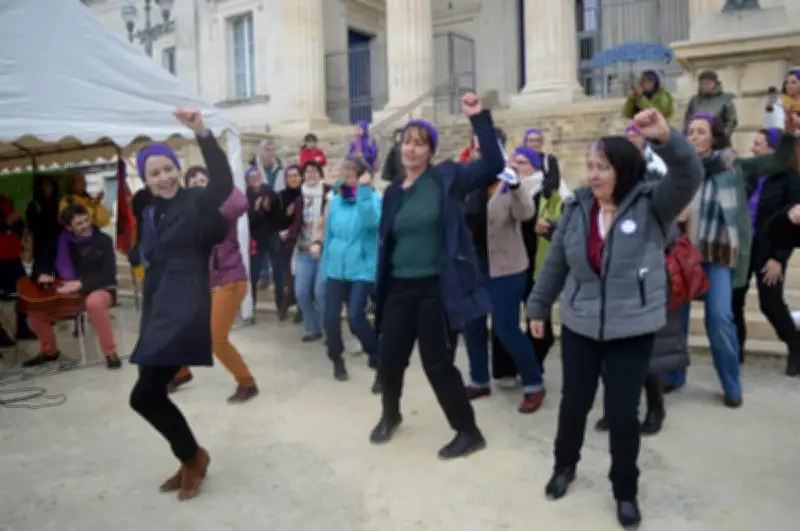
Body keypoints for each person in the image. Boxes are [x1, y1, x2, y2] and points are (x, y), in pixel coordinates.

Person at [526, 109, 702, 528]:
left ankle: (625, 490)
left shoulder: (652, 205)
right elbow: (557, 266)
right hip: (580, 324)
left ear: (623, 170)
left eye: (602, 167)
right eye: (590, 166)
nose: (594, 174)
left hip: (631, 328)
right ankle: (564, 466)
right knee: (574, 405)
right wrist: (537, 307)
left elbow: (689, 174)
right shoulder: (578, 207)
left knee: (623, 414)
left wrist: (666, 137)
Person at [369, 92, 503, 459]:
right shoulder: (394, 192)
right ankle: (391, 415)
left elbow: (492, 163)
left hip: (435, 290)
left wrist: (478, 120)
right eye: (406, 142)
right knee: (390, 357)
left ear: (430, 151)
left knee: (438, 363)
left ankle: (468, 430)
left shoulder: (448, 178)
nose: (411, 149)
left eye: (419, 143)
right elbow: (388, 242)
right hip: (398, 288)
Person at [128, 108, 232, 502]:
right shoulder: (150, 211)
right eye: (154, 173)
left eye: (168, 169)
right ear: (146, 180)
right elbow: (144, 252)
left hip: (186, 306)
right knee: (147, 395)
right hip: (158, 307)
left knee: (144, 395)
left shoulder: (196, 202)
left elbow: (222, 181)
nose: (163, 178)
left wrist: (202, 133)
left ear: (177, 168)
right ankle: (191, 456)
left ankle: (193, 457)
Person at [662, 112, 798, 402]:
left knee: (720, 318)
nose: (695, 136)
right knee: (677, 322)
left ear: (714, 135)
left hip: (718, 255)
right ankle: (673, 376)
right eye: (691, 131)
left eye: (701, 131)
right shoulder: (681, 170)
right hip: (684, 256)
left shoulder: (733, 165)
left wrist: (788, 137)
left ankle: (731, 385)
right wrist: (675, 215)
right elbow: (661, 203)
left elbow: (777, 162)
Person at [462, 140, 546, 414]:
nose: (477, 155)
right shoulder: (469, 186)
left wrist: (515, 185)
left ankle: (534, 384)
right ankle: (479, 380)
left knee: (505, 328)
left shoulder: (508, 185)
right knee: (473, 325)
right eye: (475, 151)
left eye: (482, 151)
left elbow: (526, 213)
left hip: (507, 269)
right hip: (474, 267)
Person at [168, 166, 259, 402]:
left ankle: (247, 383)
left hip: (230, 280)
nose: (199, 185)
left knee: (216, 339)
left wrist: (223, 183)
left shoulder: (222, 209)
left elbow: (241, 203)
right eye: (194, 182)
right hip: (203, 283)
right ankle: (181, 372)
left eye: (203, 181)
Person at [492, 146, 573, 384]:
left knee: (539, 322)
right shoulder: (503, 189)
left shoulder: (548, 192)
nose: (518, 166)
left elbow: (563, 222)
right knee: (504, 320)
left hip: (537, 264)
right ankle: (505, 369)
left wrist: (549, 226)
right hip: (509, 264)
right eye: (515, 161)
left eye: (524, 162)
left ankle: (532, 365)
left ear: (536, 167)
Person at [732, 127, 800, 372]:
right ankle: (735, 351)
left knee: (770, 303)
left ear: (774, 150)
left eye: (759, 144)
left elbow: (790, 223)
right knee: (734, 301)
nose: (753, 149)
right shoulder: (750, 175)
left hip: (769, 250)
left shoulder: (792, 180)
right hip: (742, 249)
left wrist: (777, 258)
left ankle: (796, 346)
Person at [23, 203, 120, 368]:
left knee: (94, 302)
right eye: (79, 224)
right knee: (35, 307)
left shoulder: (103, 240)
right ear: (69, 227)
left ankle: (110, 353)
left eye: (86, 220)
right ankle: (49, 351)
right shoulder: (60, 242)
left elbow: (108, 273)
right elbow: (44, 263)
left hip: (100, 287)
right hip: (67, 290)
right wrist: (45, 274)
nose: (85, 226)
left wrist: (80, 283)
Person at [321, 158, 382, 388]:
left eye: (350, 176)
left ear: (362, 176)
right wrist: (326, 266)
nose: (345, 180)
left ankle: (378, 359)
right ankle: (336, 358)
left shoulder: (373, 198)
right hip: (336, 266)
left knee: (356, 316)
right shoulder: (335, 200)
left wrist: (364, 192)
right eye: (343, 175)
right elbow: (330, 236)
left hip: (362, 267)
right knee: (330, 317)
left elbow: (371, 223)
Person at [290, 161, 331, 341]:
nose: (311, 174)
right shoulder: (299, 198)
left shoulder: (330, 194)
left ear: (321, 174)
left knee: (321, 292)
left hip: (324, 250)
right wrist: (287, 233)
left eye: (315, 171)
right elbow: (295, 223)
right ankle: (312, 328)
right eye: (308, 172)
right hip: (304, 250)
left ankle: (329, 331)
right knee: (301, 292)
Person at [245, 167, 282, 318]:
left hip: (272, 238)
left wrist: (267, 206)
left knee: (278, 276)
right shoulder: (246, 196)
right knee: (253, 276)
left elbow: (276, 213)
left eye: (256, 177)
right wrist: (255, 209)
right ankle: (250, 308)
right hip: (256, 241)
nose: (254, 181)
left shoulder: (270, 193)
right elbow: (248, 221)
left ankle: (281, 307)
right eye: (251, 178)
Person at [0, 194, 35, 347]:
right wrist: (7, 222)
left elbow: (18, 226)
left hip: (12, 253)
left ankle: (22, 326)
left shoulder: (6, 200)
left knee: (23, 291)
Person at [683, 70, 738, 148]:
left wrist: (722, 137)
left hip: (719, 143)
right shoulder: (695, 100)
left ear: (715, 84)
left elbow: (732, 121)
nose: (705, 86)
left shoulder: (725, 99)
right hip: (698, 142)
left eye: (707, 83)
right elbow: (687, 120)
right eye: (702, 83)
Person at [277, 164, 304, 321]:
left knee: (301, 277)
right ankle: (290, 303)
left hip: (305, 240)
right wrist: (287, 215)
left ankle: (301, 308)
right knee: (290, 277)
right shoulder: (280, 196)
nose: (293, 179)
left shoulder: (308, 192)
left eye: (296, 175)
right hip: (288, 242)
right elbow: (277, 221)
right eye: (290, 176)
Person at [26, 175, 62, 280]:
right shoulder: (34, 205)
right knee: (43, 274)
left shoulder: (59, 202)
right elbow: (32, 225)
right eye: (43, 185)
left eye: (48, 185)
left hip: (59, 243)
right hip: (42, 245)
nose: (46, 188)